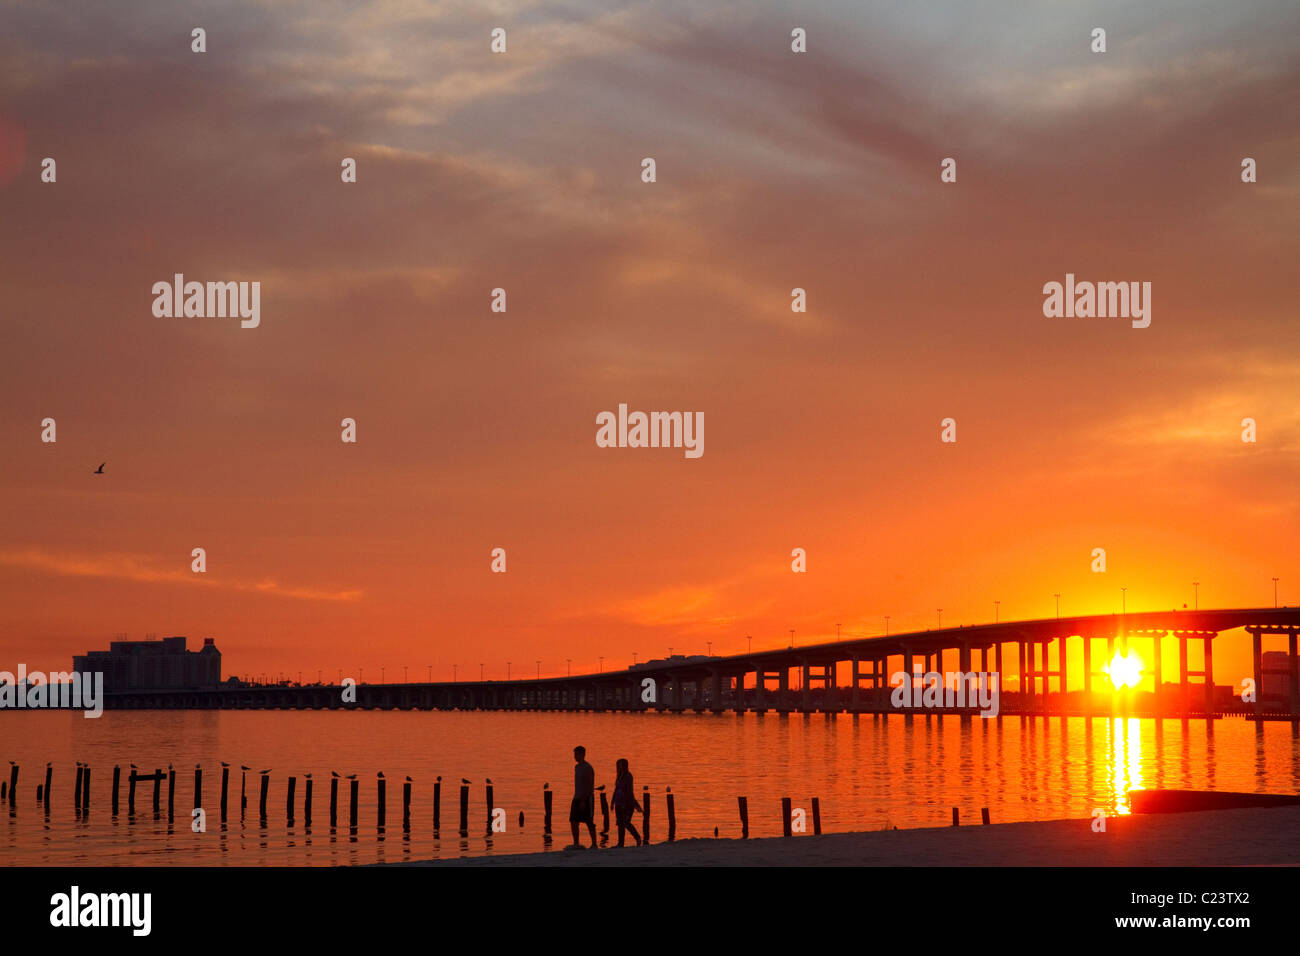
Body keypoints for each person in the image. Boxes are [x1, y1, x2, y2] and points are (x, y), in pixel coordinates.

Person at [569, 745, 598, 848]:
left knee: (589, 821)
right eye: (574, 754)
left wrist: (584, 800)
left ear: (582, 754)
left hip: (586, 798)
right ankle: (576, 843)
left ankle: (594, 843)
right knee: (573, 821)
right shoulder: (577, 767)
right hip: (576, 797)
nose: (575, 756)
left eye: (576, 754)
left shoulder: (587, 768)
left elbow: (589, 785)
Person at [611, 757, 642, 847]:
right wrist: (612, 802)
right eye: (618, 765)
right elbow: (616, 789)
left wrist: (625, 803)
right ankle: (620, 843)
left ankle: (638, 838)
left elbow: (629, 791)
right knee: (620, 824)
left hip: (627, 803)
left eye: (620, 765)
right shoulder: (619, 776)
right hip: (618, 803)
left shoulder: (628, 776)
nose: (618, 767)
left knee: (626, 823)